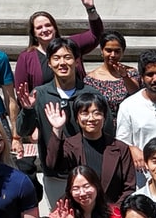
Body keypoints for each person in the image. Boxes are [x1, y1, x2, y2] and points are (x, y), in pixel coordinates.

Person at [18, 45, 100, 203]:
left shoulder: (91, 94)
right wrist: (28, 110)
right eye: (56, 58)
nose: (62, 62)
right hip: (55, 174)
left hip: (88, 173)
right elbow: (23, 130)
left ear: (77, 61)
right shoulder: (40, 94)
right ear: (49, 63)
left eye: (67, 57)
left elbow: (107, 131)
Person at [40, 95, 134, 213]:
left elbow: (129, 187)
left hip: (112, 215)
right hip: (79, 214)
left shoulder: (120, 148)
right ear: (77, 118)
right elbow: (53, 164)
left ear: (104, 116)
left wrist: (114, 213)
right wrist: (57, 129)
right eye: (85, 113)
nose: (91, 118)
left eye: (96, 113)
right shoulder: (70, 145)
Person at [14, 0, 104, 93]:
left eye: (48, 25)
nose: (45, 29)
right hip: (44, 107)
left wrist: (90, 8)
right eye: (39, 27)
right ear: (33, 33)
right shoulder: (26, 58)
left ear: (55, 28)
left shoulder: (71, 45)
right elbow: (22, 91)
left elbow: (96, 35)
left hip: (76, 105)